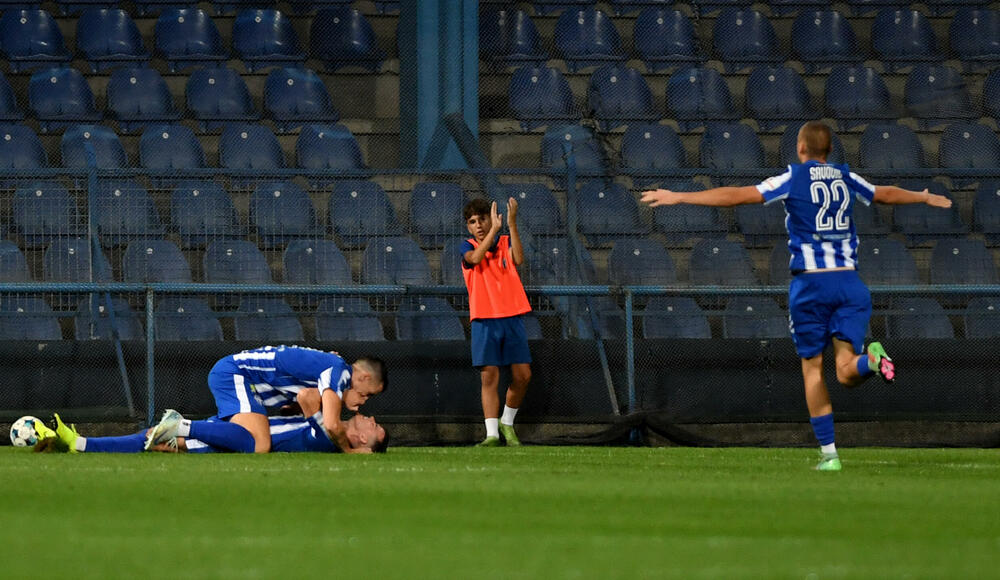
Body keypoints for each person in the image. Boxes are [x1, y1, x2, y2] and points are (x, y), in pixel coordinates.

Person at [640, 120, 952, 471]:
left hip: (812, 286)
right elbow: (885, 194)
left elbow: (738, 195)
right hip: (850, 284)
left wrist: (679, 196)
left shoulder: (793, 177)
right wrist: (923, 196)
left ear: (800, 148)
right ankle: (873, 361)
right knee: (846, 371)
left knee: (813, 369)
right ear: (829, 150)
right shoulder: (845, 176)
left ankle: (830, 456)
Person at [165, 345, 387, 454]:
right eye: (368, 393)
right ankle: (181, 426)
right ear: (364, 377)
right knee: (259, 443)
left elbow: (304, 395)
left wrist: (297, 407)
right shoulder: (340, 372)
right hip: (236, 373)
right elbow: (330, 423)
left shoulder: (333, 366)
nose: (365, 401)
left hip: (243, 378)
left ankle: (161, 437)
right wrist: (349, 451)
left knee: (241, 440)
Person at [460, 198, 533, 446]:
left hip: (512, 316)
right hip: (484, 319)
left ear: (491, 220)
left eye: (483, 219)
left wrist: (511, 224)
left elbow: (519, 259)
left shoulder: (505, 242)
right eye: (473, 222)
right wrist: (494, 231)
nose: (479, 225)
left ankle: (507, 422)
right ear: (468, 227)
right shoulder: (466, 246)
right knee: (489, 377)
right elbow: (475, 259)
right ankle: (491, 434)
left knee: (523, 375)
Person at [34, 410, 388, 454]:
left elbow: (309, 396)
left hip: (235, 442)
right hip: (236, 429)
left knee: (156, 439)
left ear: (361, 440)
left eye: (373, 427)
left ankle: (78, 443)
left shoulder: (327, 434)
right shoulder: (328, 427)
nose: (370, 418)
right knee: (154, 438)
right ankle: (78, 443)